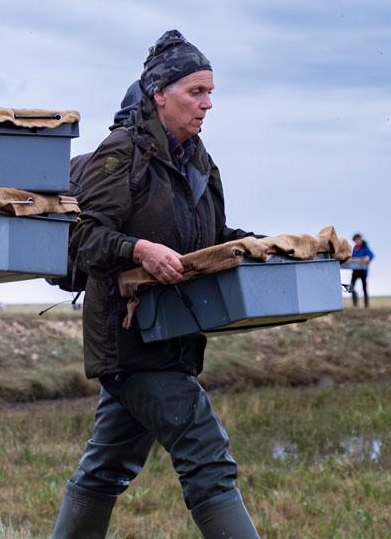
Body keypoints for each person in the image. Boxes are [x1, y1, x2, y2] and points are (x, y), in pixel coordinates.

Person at [52, 30, 260, 538]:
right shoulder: (119, 156)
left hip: (176, 338)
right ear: (158, 94)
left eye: (211, 93)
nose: (208, 104)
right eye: (196, 92)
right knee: (206, 454)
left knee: (106, 469)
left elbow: (211, 236)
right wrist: (137, 249)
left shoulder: (200, 163)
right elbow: (82, 237)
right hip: (132, 342)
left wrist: (260, 247)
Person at [349, 233, 374, 308]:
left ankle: (366, 305)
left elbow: (371, 255)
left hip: (363, 271)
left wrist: (368, 258)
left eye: (358, 239)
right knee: (352, 287)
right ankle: (355, 304)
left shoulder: (365, 247)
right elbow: (352, 257)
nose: (357, 241)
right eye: (355, 240)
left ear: (360, 239)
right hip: (355, 271)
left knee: (364, 288)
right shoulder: (355, 248)